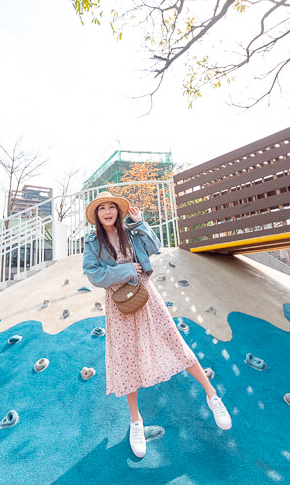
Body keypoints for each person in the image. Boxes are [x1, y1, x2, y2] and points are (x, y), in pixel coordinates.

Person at [82, 191, 232, 459]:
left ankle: (213, 397)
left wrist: (140, 222)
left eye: (111, 207)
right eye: (102, 208)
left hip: (147, 295)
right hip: (120, 304)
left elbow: (154, 247)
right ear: (96, 214)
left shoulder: (131, 232)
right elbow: (94, 274)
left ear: (118, 211)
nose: (107, 212)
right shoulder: (93, 242)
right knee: (127, 357)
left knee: (173, 339)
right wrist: (127, 270)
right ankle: (136, 422)